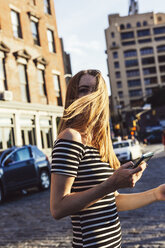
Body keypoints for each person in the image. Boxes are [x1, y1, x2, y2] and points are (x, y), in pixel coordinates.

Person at [50, 69, 165, 248]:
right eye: (83, 90)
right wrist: (112, 183)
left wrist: (156, 194)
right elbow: (58, 208)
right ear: (73, 96)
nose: (90, 96)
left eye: (95, 90)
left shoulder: (100, 143)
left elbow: (113, 200)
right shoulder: (70, 138)